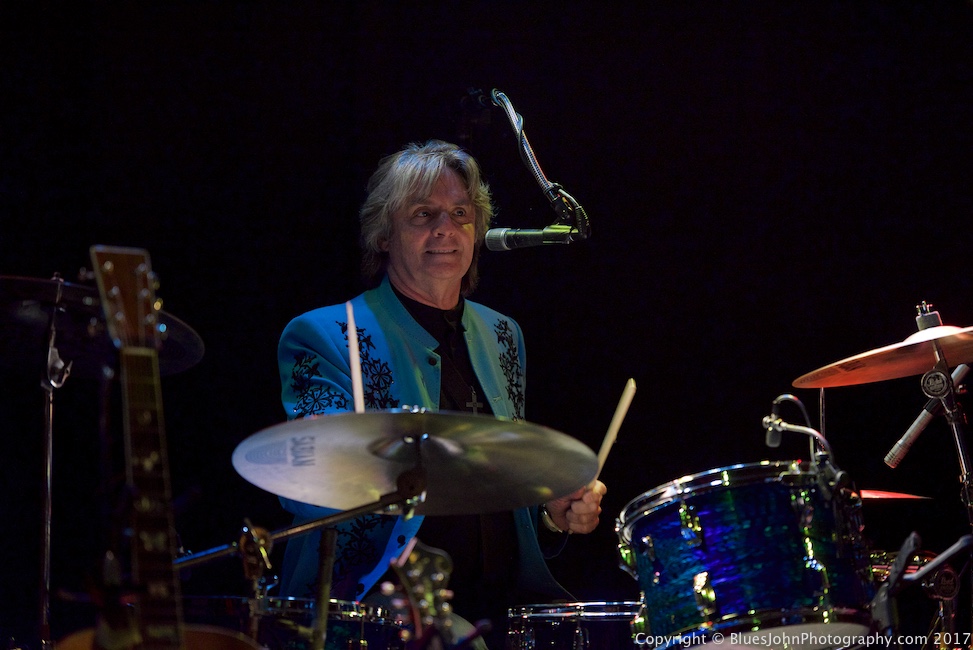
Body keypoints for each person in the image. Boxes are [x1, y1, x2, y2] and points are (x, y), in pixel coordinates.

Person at [276, 139, 606, 649]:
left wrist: (549, 507)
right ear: (384, 235)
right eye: (422, 214)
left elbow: (500, 483)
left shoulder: (504, 336)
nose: (445, 230)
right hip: (373, 612)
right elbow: (311, 482)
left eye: (460, 213)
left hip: (503, 606)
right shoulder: (325, 335)